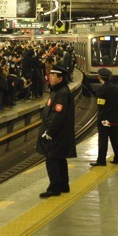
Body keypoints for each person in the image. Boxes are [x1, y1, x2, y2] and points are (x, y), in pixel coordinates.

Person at [36, 64, 76, 197]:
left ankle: (54, 188)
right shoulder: (57, 91)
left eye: (53, 75)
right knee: (59, 159)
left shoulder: (62, 93)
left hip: (56, 135)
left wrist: (49, 132)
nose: (50, 77)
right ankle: (64, 185)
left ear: (60, 78)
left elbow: (57, 115)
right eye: (50, 75)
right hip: (59, 135)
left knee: (52, 160)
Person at [90, 68, 118, 166]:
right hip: (114, 120)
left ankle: (101, 161)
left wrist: (101, 119)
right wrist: (117, 118)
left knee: (103, 140)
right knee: (116, 139)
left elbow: (101, 106)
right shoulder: (117, 89)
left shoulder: (101, 89)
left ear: (99, 77)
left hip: (104, 120)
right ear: (110, 77)